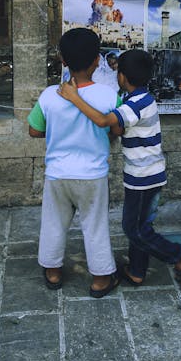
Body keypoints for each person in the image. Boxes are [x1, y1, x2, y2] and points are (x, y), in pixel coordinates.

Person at [57, 49, 181, 286]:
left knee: (133, 228)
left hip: (143, 177)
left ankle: (180, 255)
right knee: (142, 225)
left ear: (122, 76)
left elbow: (103, 121)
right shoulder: (139, 99)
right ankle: (137, 271)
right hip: (148, 173)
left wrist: (74, 97)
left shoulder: (137, 103)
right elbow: (118, 127)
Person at [27, 28, 121, 298]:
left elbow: (34, 130)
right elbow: (116, 130)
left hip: (58, 174)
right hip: (93, 175)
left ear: (63, 61)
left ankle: (53, 271)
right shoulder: (108, 96)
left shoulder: (49, 96)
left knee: (54, 222)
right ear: (96, 61)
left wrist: (57, 129)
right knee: (95, 224)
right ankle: (101, 279)